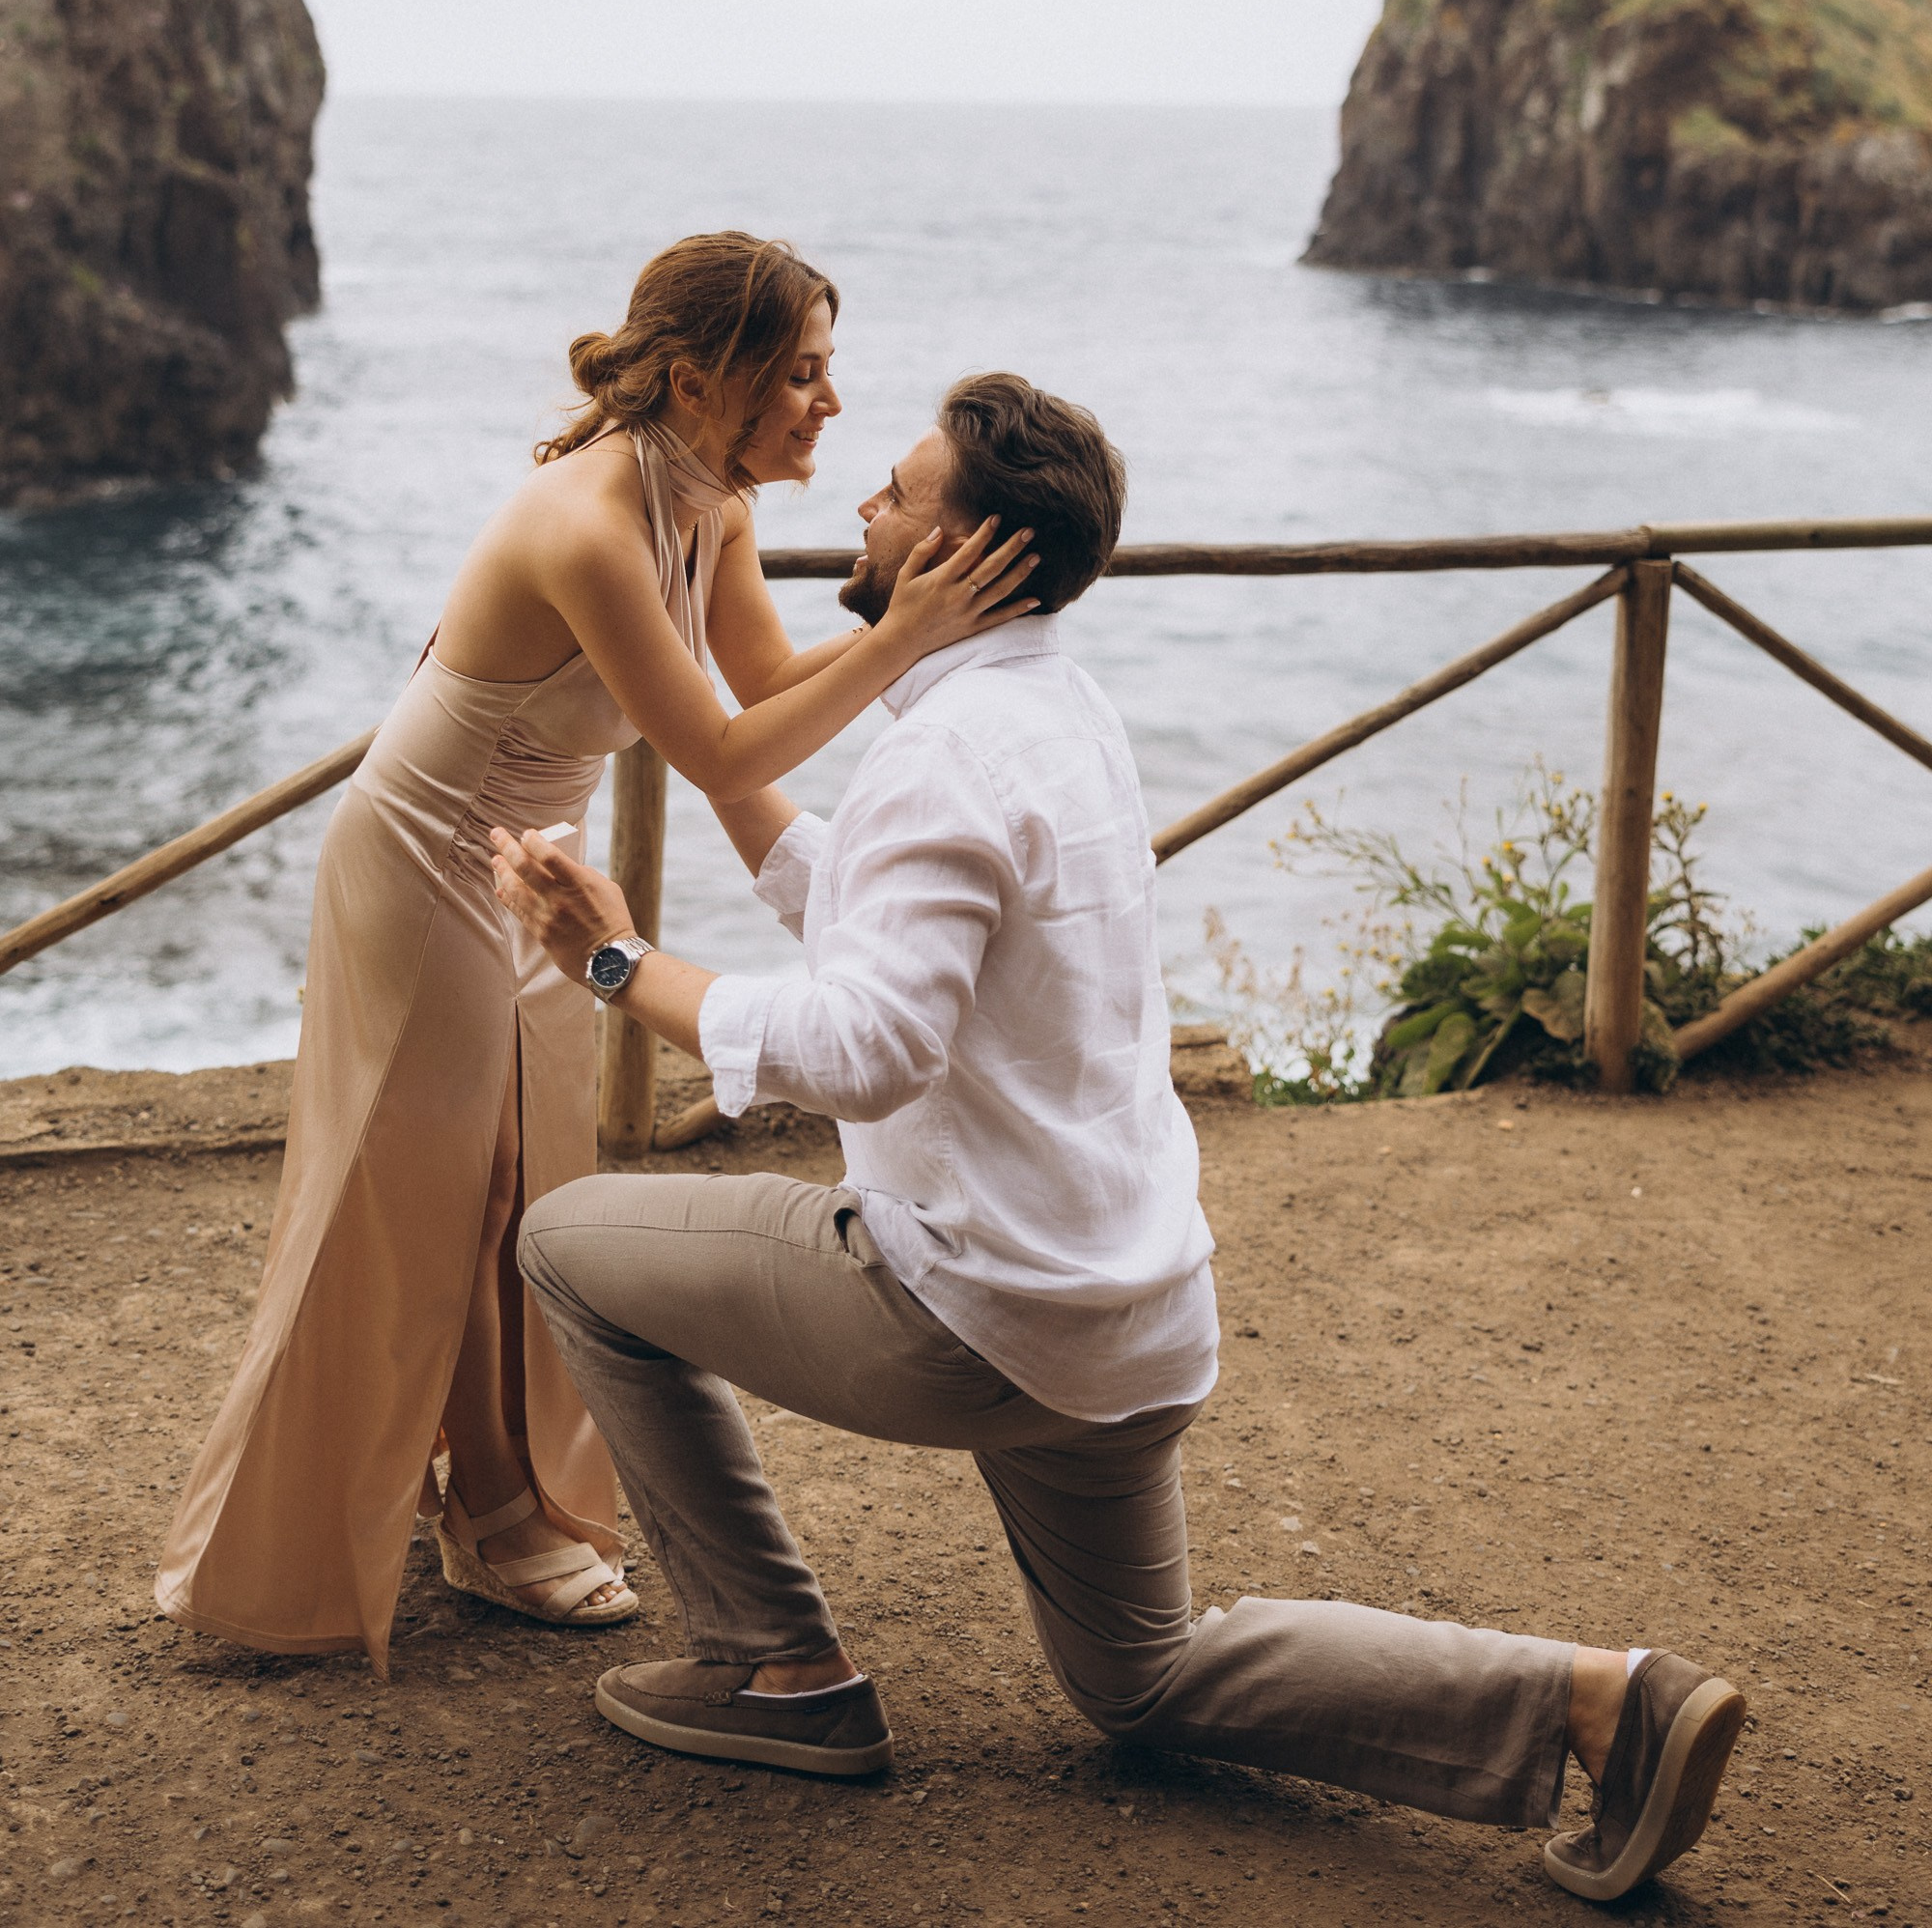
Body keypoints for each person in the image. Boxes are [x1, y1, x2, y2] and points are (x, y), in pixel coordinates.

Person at [492, 370, 1747, 1906]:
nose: (867, 509)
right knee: (1140, 1682)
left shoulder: (940, 758)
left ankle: (777, 1668)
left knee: (569, 1242)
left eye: (897, 491)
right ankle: (1600, 1701)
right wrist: (726, 775)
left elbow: (867, 1046)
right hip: (1127, 1317)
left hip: (970, 1314)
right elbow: (904, 926)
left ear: (965, 554)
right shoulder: (1059, 712)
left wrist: (614, 963)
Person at [155, 237, 1036, 1675]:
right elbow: (718, 748)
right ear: (704, 382)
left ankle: (495, 1500)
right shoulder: (586, 526)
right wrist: (910, 638)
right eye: (799, 372)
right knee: (452, 1190)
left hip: (528, 872)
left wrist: (940, 628)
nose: (828, 401)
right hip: (423, 859)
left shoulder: (713, 504)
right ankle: (489, 1515)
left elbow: (769, 687)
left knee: (536, 1173)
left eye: (826, 368)